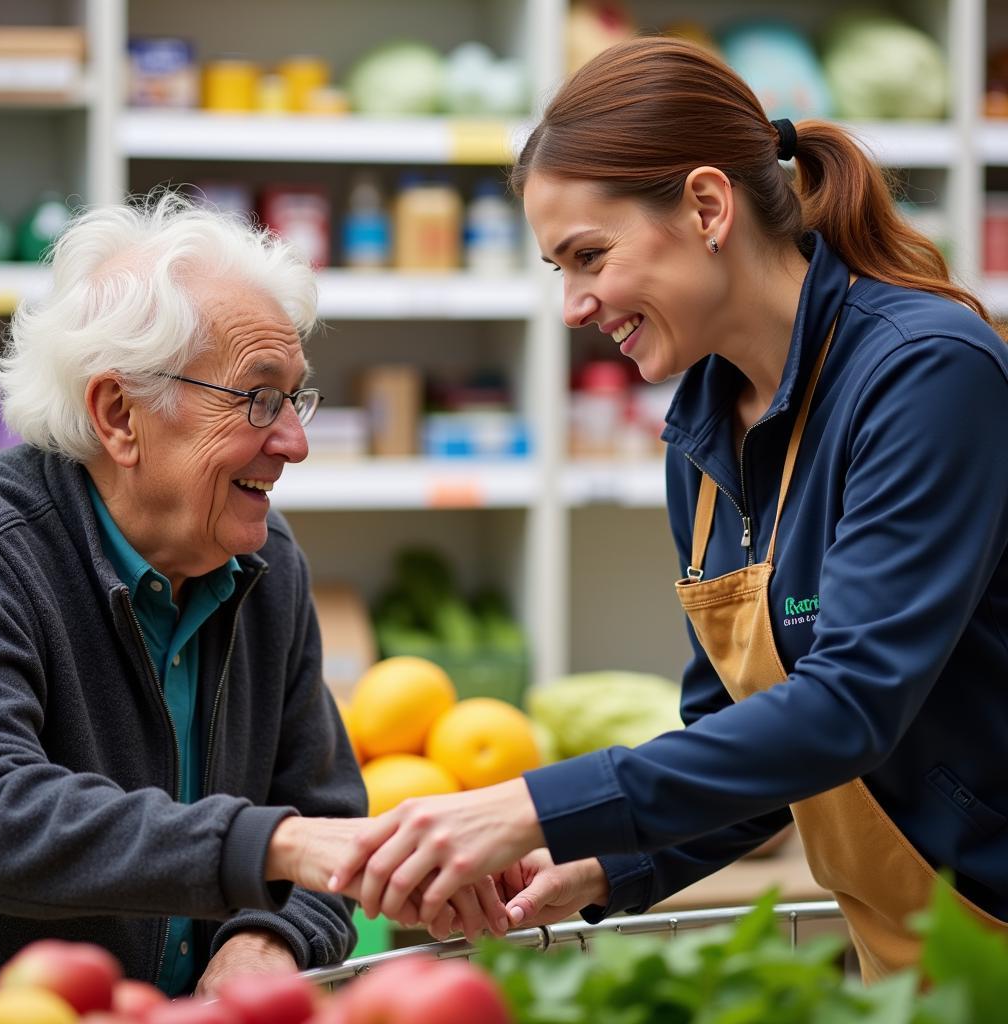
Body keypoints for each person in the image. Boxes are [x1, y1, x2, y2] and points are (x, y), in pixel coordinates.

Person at [326, 37, 1008, 982]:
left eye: (588, 256)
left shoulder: (925, 374)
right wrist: (600, 865)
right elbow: (747, 743)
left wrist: (527, 804)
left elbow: (849, 705)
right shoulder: (703, 432)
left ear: (706, 206)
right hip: (915, 964)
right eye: (556, 269)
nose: (572, 305)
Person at [0, 194, 501, 994]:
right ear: (120, 413)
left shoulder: (265, 565)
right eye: (259, 397)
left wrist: (271, 938)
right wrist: (271, 847)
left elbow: (328, 825)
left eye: (295, 398)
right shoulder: (2, 555)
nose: (293, 440)